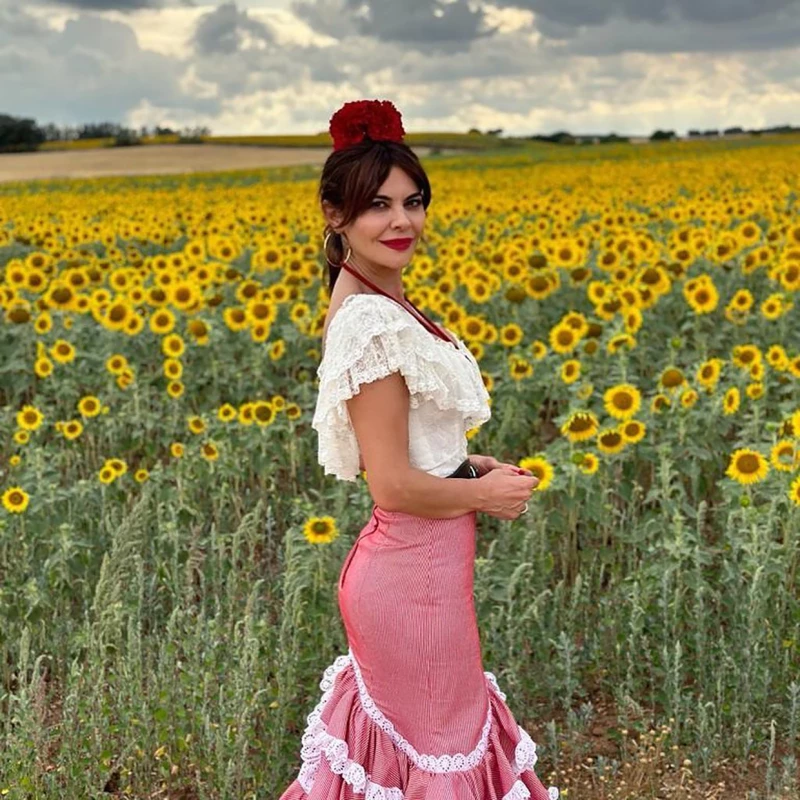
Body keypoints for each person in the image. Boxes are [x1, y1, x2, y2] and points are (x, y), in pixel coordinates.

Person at [279, 99, 559, 800]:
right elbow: (393, 487)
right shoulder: (370, 320)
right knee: (439, 760)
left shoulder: (382, 302)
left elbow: (413, 456)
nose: (401, 221)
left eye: (413, 201)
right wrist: (484, 495)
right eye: (376, 205)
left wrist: (468, 467)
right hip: (409, 579)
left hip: (421, 574)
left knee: (429, 757)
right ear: (334, 215)